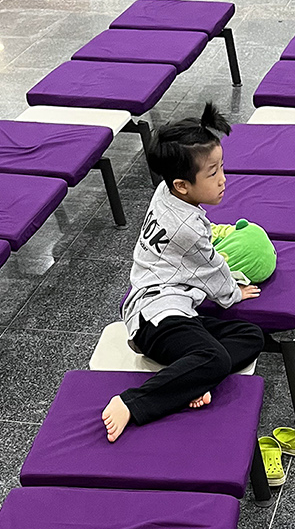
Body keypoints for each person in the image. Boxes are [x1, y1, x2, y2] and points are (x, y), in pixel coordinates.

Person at [101, 102, 265, 442]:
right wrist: (234, 292)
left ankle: (192, 378)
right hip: (155, 319)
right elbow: (213, 269)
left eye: (221, 167)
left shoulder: (165, 192)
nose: (223, 179)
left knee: (251, 335)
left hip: (173, 309)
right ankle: (132, 403)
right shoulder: (186, 229)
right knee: (214, 359)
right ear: (182, 185)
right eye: (212, 173)